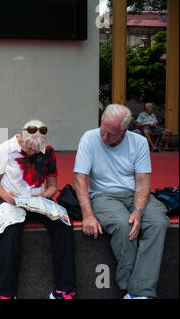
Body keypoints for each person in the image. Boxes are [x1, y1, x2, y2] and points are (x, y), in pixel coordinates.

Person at [74, 104, 169, 299]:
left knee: (158, 222)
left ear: (124, 131)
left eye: (110, 134)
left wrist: (138, 210)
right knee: (122, 225)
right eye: (103, 130)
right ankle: (136, 289)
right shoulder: (89, 138)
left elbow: (143, 182)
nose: (104, 138)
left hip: (135, 194)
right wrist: (88, 215)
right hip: (103, 195)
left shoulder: (139, 142)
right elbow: (79, 179)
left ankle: (137, 292)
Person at [0, 119, 75, 299]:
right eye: (29, 149)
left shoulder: (48, 152)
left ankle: (63, 290)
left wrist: (44, 196)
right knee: (10, 234)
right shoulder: (4, 149)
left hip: (36, 200)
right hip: (9, 199)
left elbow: (52, 186)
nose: (32, 153)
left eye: (36, 150)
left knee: (63, 226)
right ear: (21, 138)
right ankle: (6, 294)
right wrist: (6, 195)